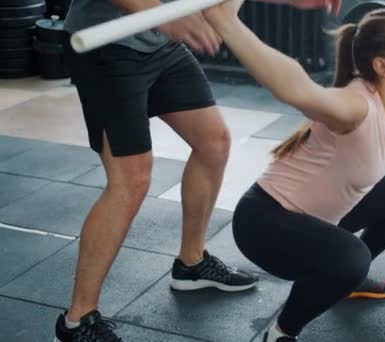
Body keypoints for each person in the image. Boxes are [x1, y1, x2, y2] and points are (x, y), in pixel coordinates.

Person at [53, 0, 340, 341]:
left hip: (159, 44)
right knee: (130, 179)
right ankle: (77, 320)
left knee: (213, 142)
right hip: (107, 47)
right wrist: (163, 15)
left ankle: (191, 264)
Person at [202, 0, 385, 340]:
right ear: (383, 66)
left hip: (318, 216)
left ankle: (347, 281)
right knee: (351, 257)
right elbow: (295, 88)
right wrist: (225, 21)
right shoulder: (355, 107)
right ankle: (283, 331)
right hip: (266, 224)